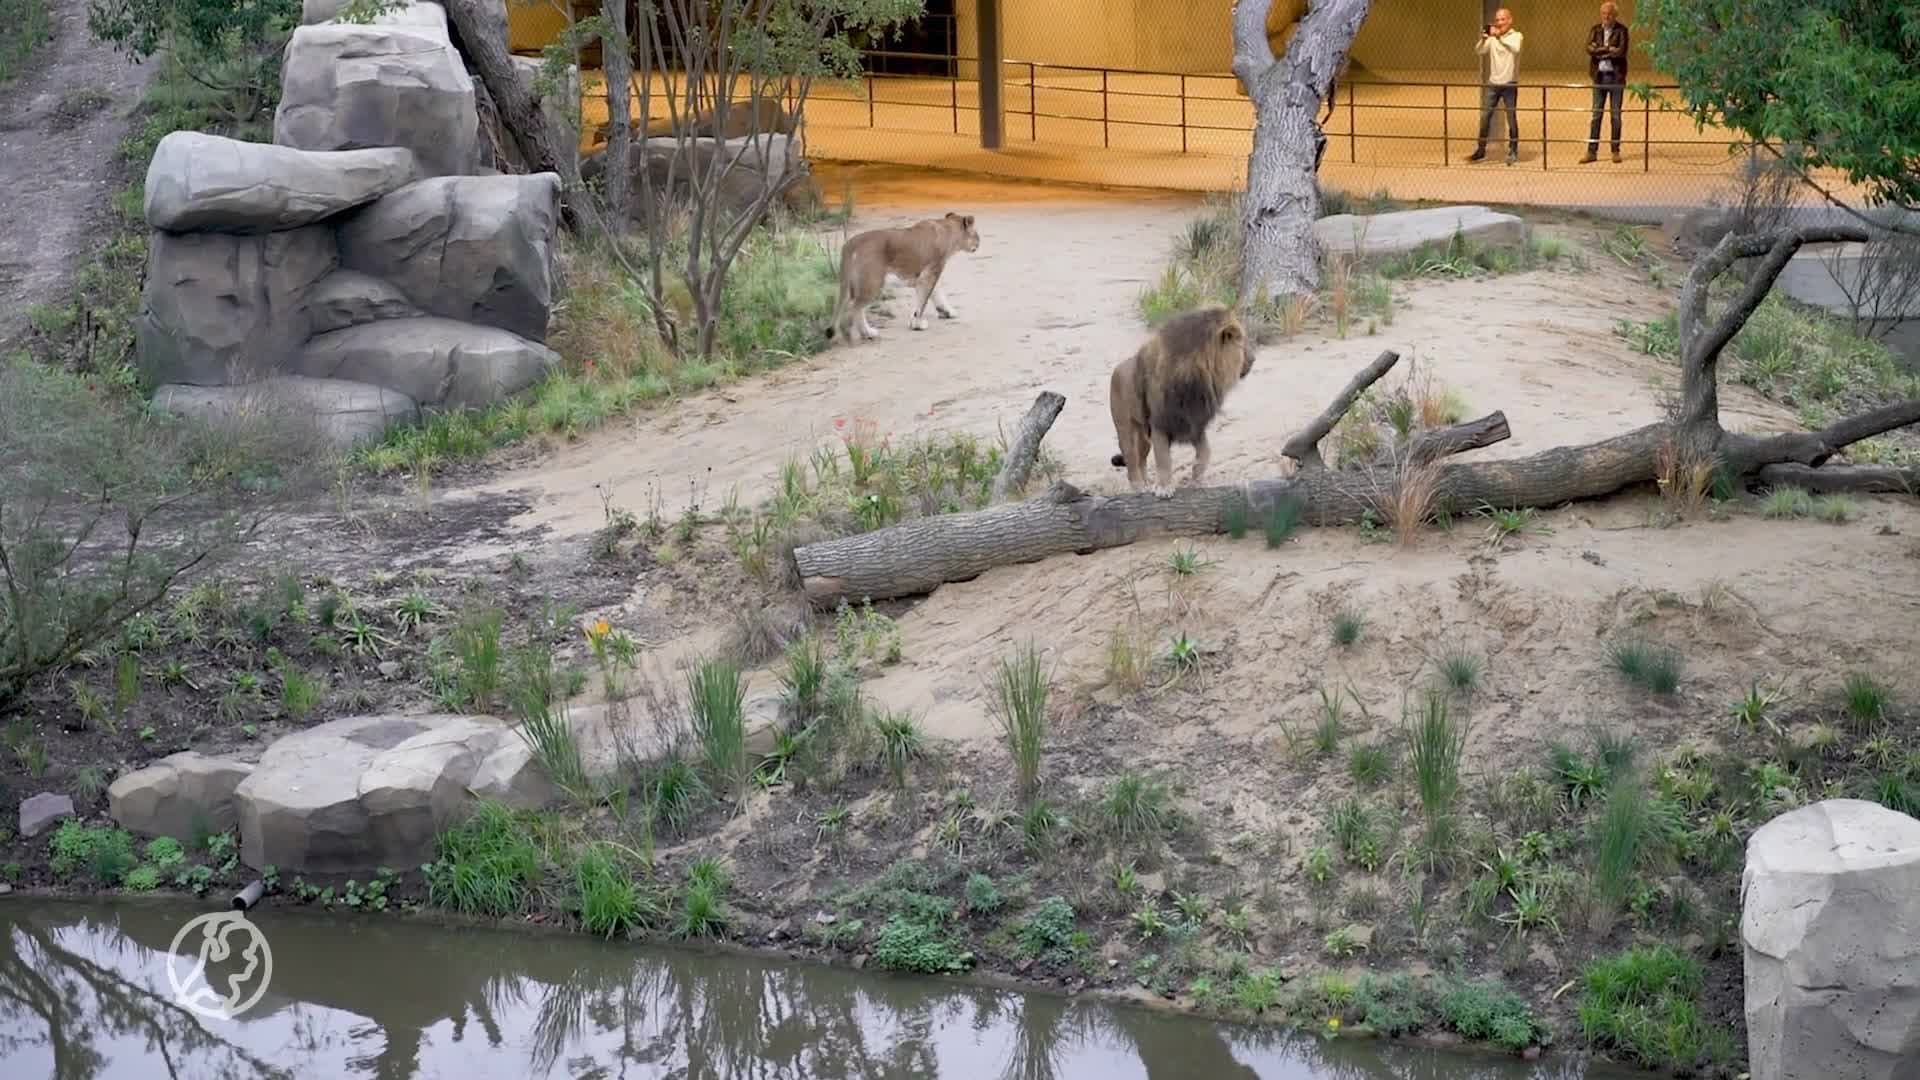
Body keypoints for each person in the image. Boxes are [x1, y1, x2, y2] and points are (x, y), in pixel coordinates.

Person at [1467, 9, 1523, 164]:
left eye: (1503, 19)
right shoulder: (1492, 39)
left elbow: (1516, 48)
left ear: (1510, 20)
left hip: (1509, 84)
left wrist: (1498, 36)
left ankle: (1513, 150)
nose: (1500, 22)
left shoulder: (1516, 36)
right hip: (1493, 83)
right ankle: (1481, 149)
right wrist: (1484, 38)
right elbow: (1479, 51)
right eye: (1497, 20)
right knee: (1485, 117)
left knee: (1511, 118)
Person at [1581, 2, 1630, 163]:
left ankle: (1615, 150)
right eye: (1603, 13)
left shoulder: (1622, 30)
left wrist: (1600, 50)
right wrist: (1609, 49)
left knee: (1615, 116)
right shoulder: (1595, 29)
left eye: (1609, 14)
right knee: (1596, 115)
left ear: (1615, 15)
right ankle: (1591, 151)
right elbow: (1589, 49)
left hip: (1616, 78)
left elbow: (1621, 52)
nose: (1606, 17)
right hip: (1599, 77)